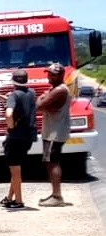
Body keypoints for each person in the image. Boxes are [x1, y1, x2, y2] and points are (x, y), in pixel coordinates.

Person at [0, 69, 37, 208]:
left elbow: (9, 112)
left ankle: (19, 201)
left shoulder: (13, 95)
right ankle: (9, 197)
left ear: (12, 81)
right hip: (28, 136)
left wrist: (10, 127)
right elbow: (18, 102)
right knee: (15, 169)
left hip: (15, 137)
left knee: (15, 171)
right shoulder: (31, 93)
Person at [36, 63, 70, 207]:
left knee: (53, 162)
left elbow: (38, 106)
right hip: (51, 131)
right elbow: (42, 104)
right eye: (49, 73)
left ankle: (57, 196)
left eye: (53, 74)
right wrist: (43, 100)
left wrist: (43, 99)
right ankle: (54, 194)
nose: (50, 76)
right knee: (49, 162)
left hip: (54, 132)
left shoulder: (60, 91)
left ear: (61, 75)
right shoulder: (54, 89)